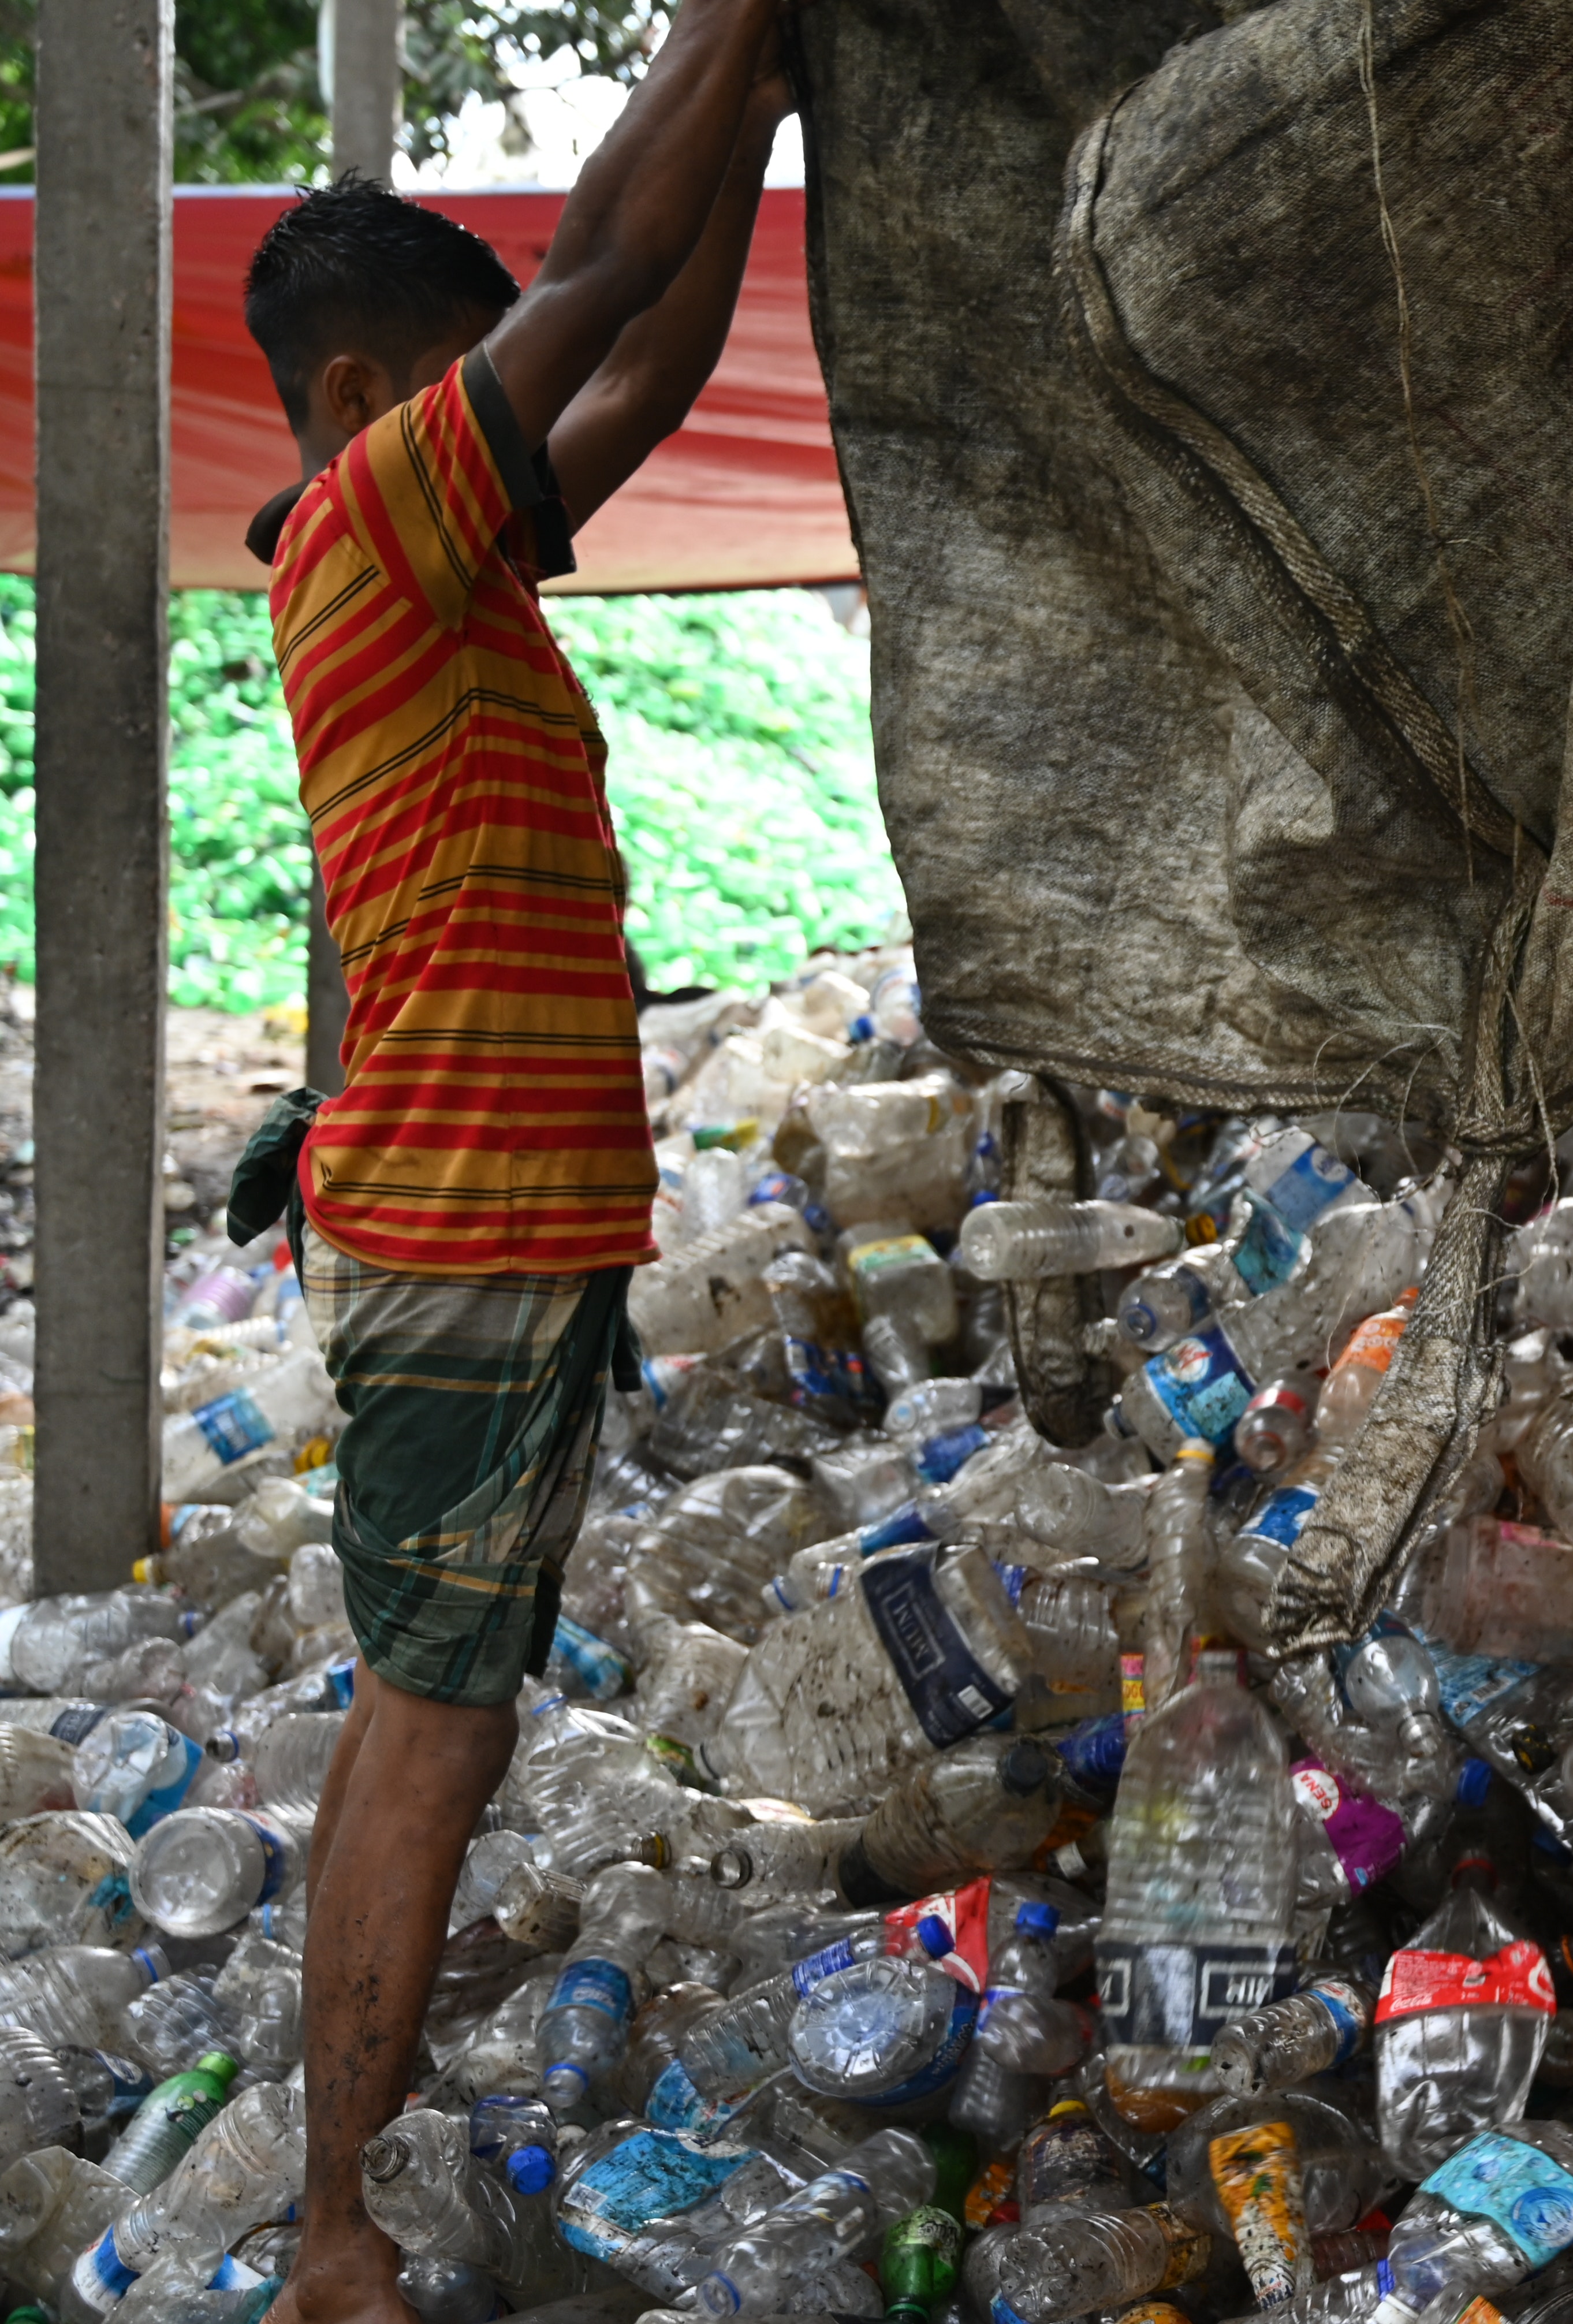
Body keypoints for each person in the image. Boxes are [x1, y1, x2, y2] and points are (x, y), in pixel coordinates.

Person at [230, 6, 797, 2319]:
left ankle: (342, 2191)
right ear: (379, 400)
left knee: (433, 1706)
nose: (526, 436)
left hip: (501, 1225)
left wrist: (755, 116)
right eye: (483, 393)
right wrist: (732, 29)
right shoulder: (374, 518)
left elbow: (630, 382)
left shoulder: (438, 563)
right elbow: (589, 289)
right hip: (462, 1228)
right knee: (429, 1727)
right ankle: (337, 2223)